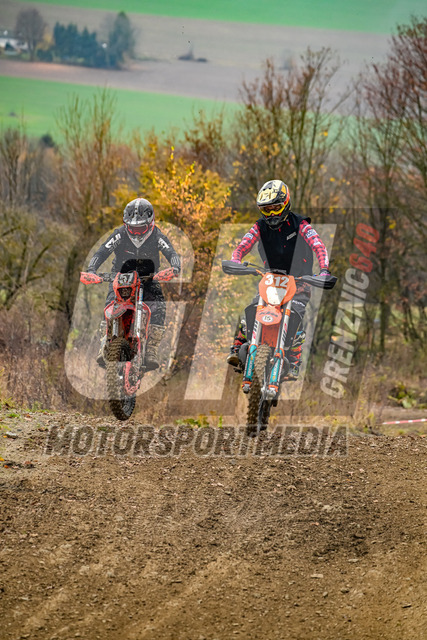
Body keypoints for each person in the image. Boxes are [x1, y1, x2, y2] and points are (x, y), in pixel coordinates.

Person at [227, 179, 330, 379]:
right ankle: (238, 348)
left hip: (299, 280)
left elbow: (318, 245)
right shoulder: (260, 226)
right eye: (266, 210)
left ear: (285, 203)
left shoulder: (301, 225)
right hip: (271, 279)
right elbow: (244, 244)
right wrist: (236, 259)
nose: (272, 214)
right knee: (253, 308)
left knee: (296, 315)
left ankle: (294, 360)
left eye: (275, 208)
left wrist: (324, 269)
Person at [87, 197, 181, 370]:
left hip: (149, 278)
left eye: (140, 228)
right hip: (121, 276)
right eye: (132, 228)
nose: (136, 233)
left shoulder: (157, 235)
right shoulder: (119, 234)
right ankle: (105, 343)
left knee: (159, 307)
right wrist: (92, 269)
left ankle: (151, 349)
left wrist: (175, 267)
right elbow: (102, 251)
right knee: (110, 305)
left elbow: (171, 252)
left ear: (150, 223)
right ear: (126, 224)